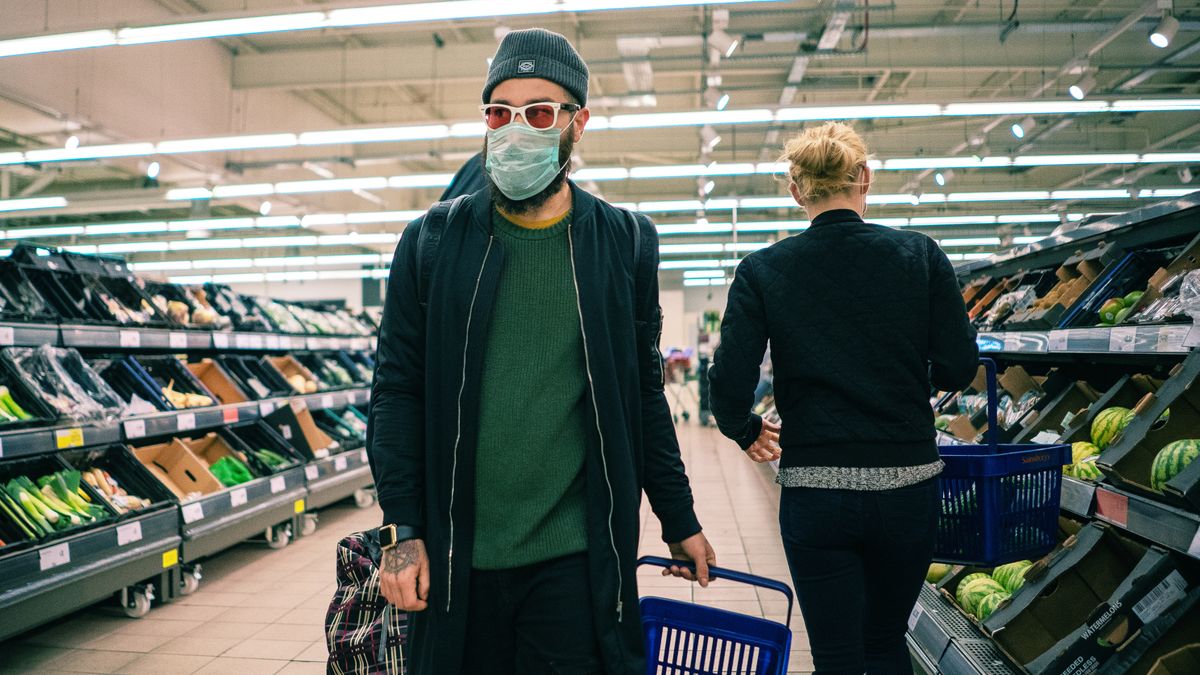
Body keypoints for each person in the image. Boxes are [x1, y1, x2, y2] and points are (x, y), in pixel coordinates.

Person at [367, 28, 716, 675]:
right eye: (500, 112)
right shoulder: (432, 244)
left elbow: (641, 394)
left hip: (573, 557)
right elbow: (397, 393)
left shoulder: (623, 244)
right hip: (455, 554)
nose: (515, 129)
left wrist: (679, 515)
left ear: (577, 123)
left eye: (539, 112)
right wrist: (401, 530)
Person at [708, 121, 978, 674]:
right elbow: (958, 366)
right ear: (864, 178)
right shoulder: (919, 256)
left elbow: (729, 377)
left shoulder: (763, 270)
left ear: (796, 189)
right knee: (884, 642)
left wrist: (745, 428)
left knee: (834, 654)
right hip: (906, 487)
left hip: (816, 492)